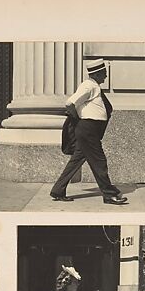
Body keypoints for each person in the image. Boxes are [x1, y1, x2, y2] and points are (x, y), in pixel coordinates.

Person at [50, 59, 128, 205]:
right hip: (88, 129)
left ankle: (58, 190)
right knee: (99, 161)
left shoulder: (94, 86)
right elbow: (70, 103)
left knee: (76, 161)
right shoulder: (88, 86)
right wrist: (80, 122)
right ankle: (109, 194)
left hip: (89, 130)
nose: (105, 76)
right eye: (104, 73)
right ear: (97, 74)